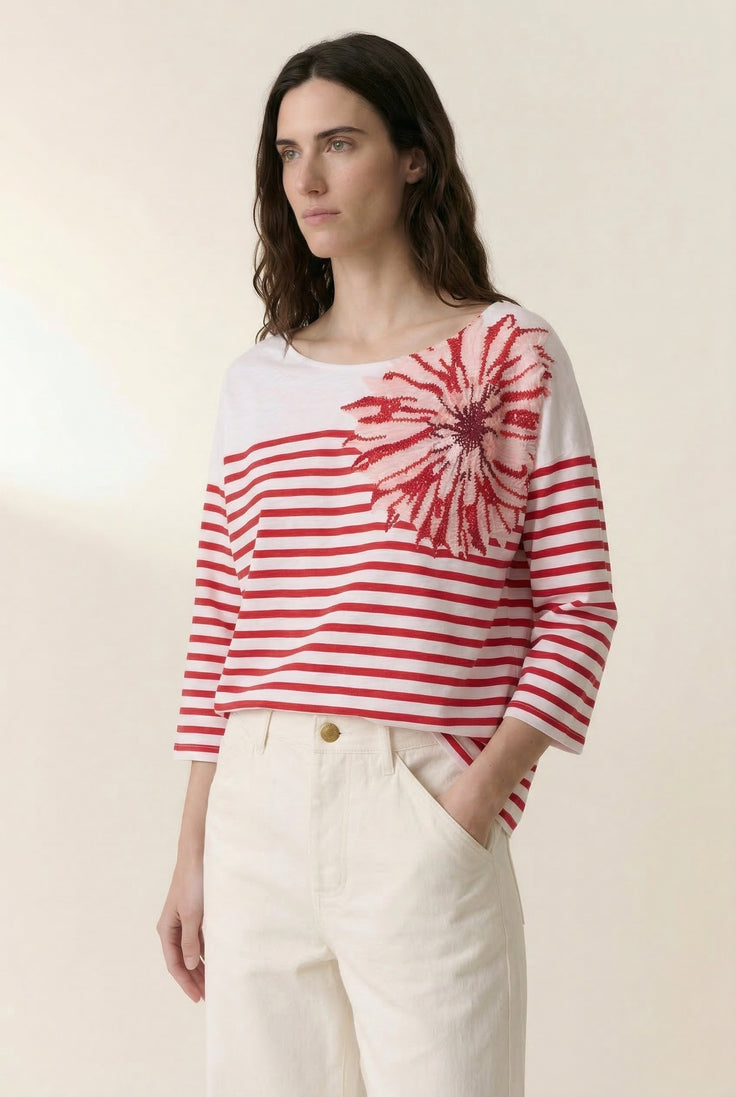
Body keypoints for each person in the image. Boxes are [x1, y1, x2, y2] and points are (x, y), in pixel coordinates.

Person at [157, 31, 618, 1097]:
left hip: (416, 796)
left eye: (339, 143)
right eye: (287, 153)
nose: (306, 180)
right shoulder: (258, 380)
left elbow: (580, 606)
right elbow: (222, 617)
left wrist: (472, 803)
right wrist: (193, 848)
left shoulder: (507, 352)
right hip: (255, 802)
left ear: (414, 157)